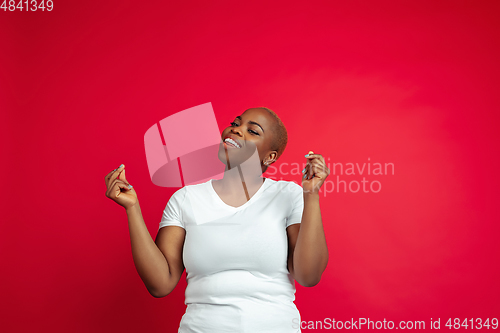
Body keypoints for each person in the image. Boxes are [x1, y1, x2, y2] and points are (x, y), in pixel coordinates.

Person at [105, 107, 330, 332]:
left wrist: (311, 195)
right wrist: (132, 208)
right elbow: (160, 284)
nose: (236, 130)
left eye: (252, 131)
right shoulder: (186, 199)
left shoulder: (288, 195)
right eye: (235, 123)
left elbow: (308, 275)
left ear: (270, 157)